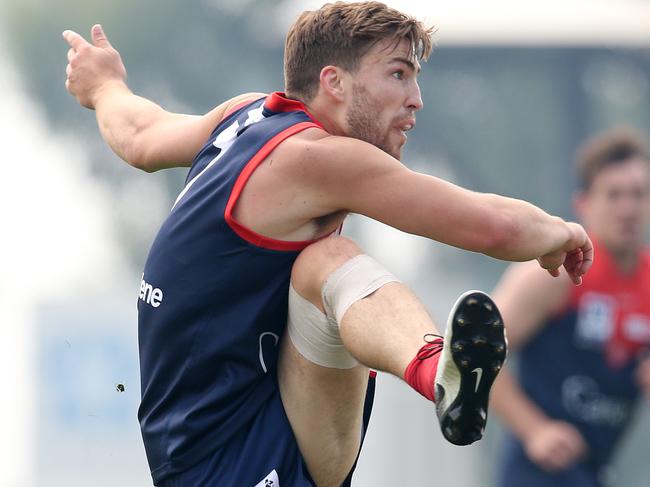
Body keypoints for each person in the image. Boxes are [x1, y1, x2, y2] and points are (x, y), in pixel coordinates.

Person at [62, 2, 593, 486]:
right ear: (334, 82)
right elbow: (491, 227)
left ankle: (442, 376)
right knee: (326, 261)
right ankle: (439, 375)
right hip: (218, 460)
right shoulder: (318, 158)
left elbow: (139, 135)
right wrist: (561, 233)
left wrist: (105, 87)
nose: (416, 100)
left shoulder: (247, 115)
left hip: (268, 410)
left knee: (324, 263)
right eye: (398, 75)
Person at [490, 127, 650, 487]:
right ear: (584, 204)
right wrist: (534, 430)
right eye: (614, 195)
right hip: (534, 475)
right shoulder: (555, 272)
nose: (628, 208)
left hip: (595, 473)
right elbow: (473, 350)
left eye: (638, 194)